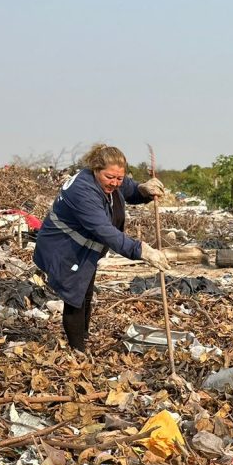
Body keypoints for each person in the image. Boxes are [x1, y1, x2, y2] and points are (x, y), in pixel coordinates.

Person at [34, 143, 170, 351]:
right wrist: (142, 250)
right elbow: (104, 231)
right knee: (75, 297)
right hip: (64, 247)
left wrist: (143, 190)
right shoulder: (83, 191)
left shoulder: (109, 181)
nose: (115, 183)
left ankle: (83, 338)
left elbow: (128, 188)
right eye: (110, 177)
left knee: (85, 292)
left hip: (84, 247)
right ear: (96, 169)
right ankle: (77, 350)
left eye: (119, 178)